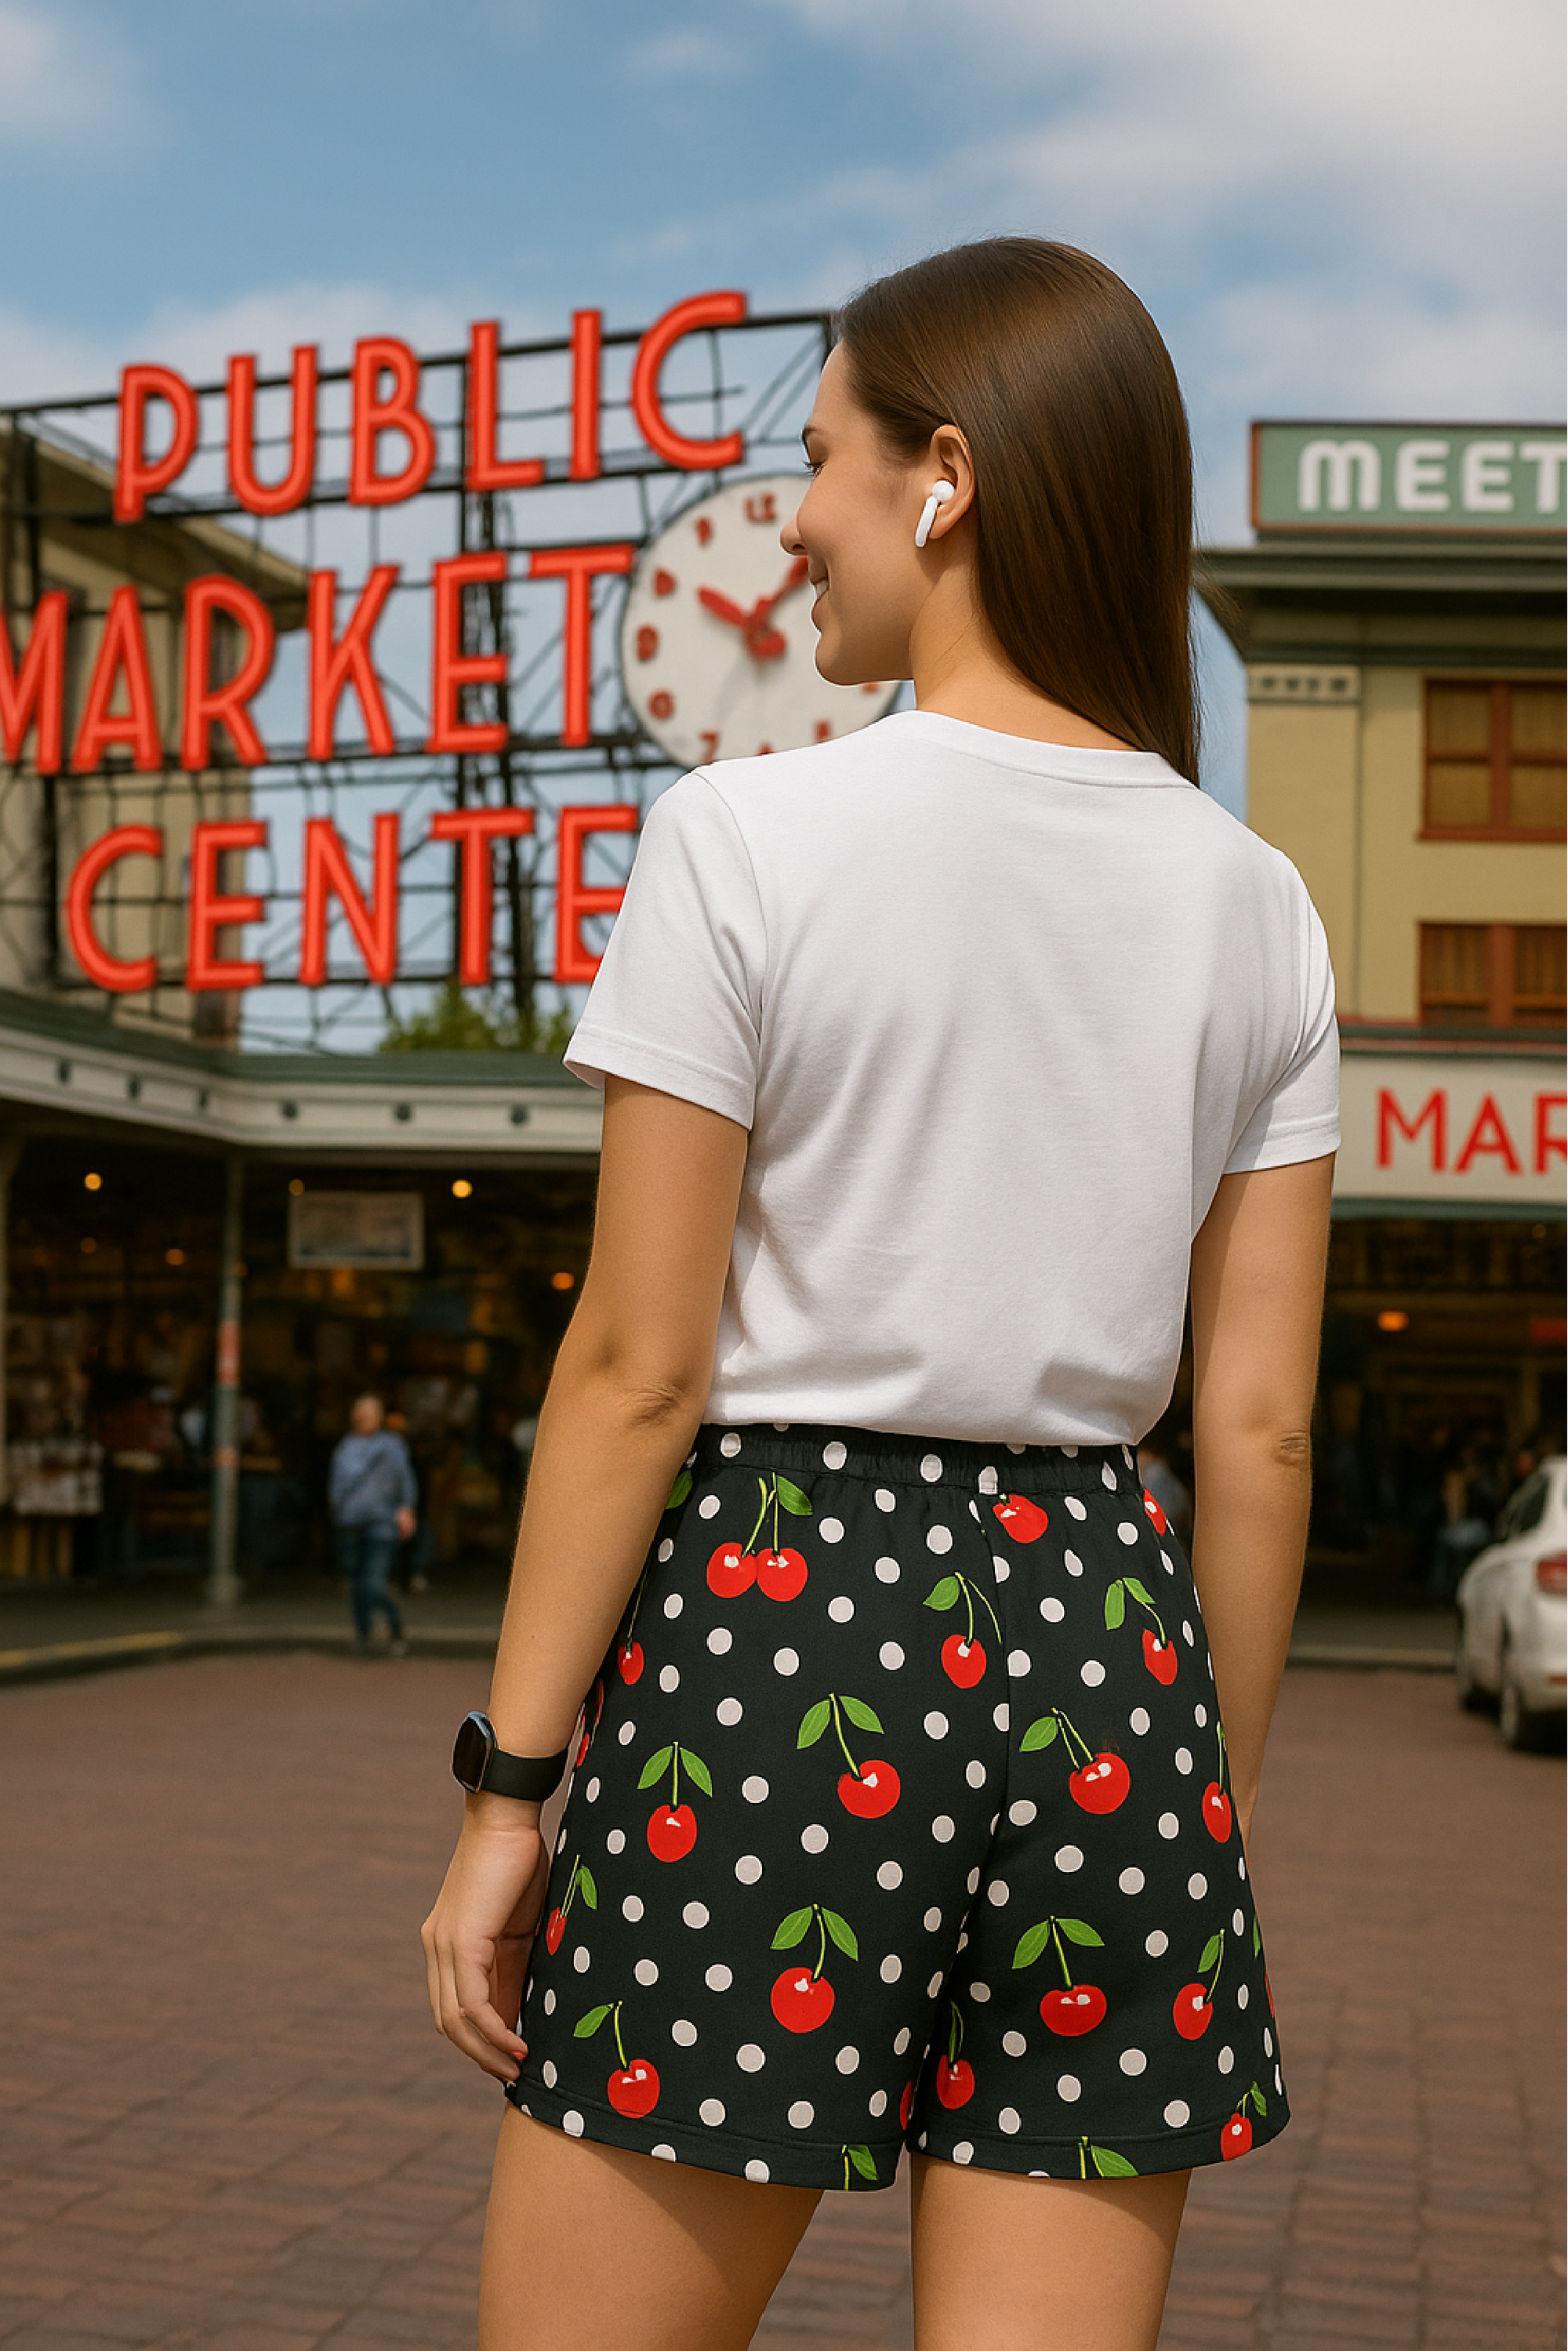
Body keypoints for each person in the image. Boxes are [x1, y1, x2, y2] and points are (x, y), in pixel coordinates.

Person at [421, 238, 1339, 2351]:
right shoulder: (1257, 901)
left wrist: (507, 1793)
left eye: (821, 461)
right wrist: (1202, 1785)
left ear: (946, 478)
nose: (795, 522)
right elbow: (1262, 1426)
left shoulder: (745, 838)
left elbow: (641, 1368)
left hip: (785, 1622)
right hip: (1118, 1647)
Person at [328, 1394, 416, 1654]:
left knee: (373, 1582)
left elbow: (405, 1479)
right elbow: (336, 1484)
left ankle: (394, 1624)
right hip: (349, 1522)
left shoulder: (392, 1446)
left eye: (369, 1412)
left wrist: (407, 1509)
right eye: (360, 1411)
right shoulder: (345, 1447)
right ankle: (363, 1634)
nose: (364, 1417)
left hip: (381, 1523)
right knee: (356, 1584)